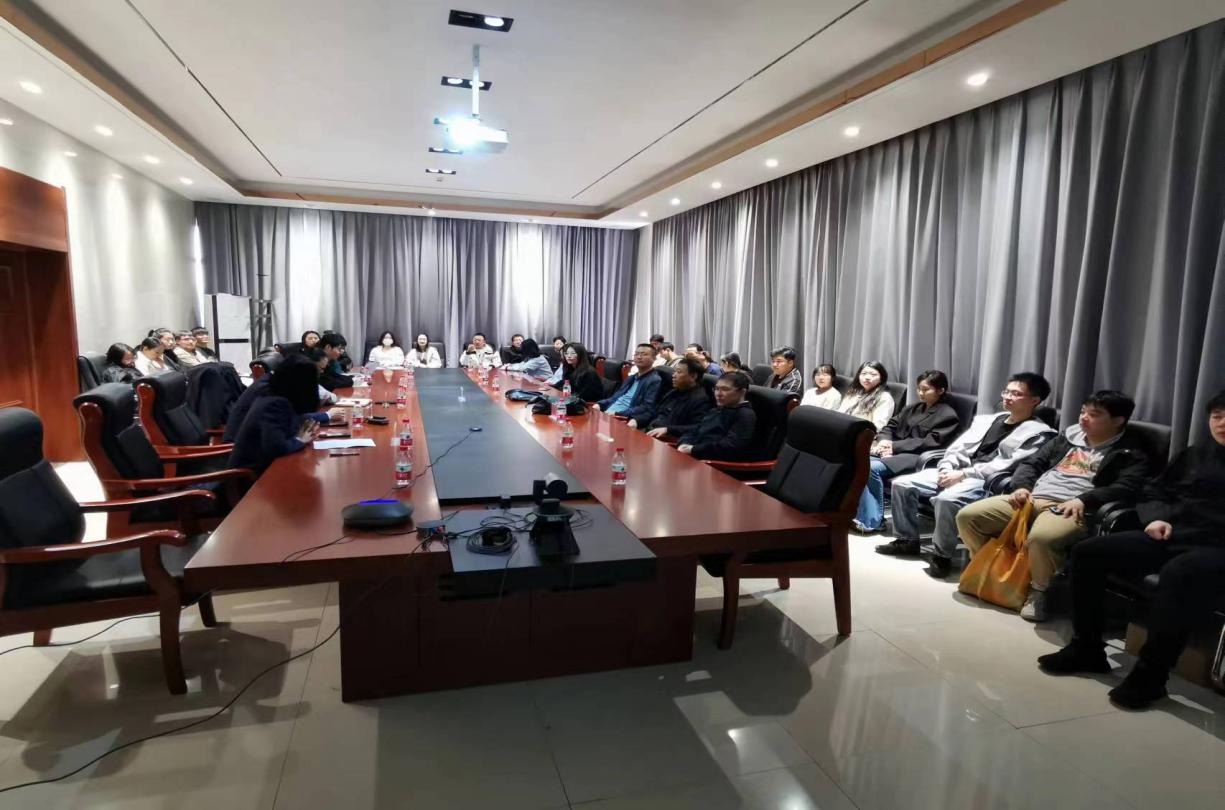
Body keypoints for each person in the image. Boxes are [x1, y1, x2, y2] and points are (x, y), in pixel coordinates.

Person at [1036, 390, 1225, 709]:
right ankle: (1086, 648)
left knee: (1179, 573)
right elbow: (1155, 491)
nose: (1221, 423)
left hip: (1216, 547)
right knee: (1088, 552)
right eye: (1217, 416)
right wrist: (1155, 518)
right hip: (1172, 533)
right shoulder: (1196, 453)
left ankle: (1151, 676)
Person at [957, 390, 1151, 620]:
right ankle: (990, 570)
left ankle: (1038, 591)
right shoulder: (1069, 437)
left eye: (1094, 414)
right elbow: (1032, 463)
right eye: (1083, 411)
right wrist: (1022, 487)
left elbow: (1127, 486)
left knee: (1042, 538)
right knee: (969, 517)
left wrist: (1084, 499)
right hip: (1031, 497)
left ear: (1118, 420)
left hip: (1071, 507)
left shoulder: (1131, 450)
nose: (1084, 418)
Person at [878, 372, 1056, 570]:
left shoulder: (1038, 433)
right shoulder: (989, 420)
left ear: (1035, 400)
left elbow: (1006, 464)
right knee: (902, 484)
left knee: (947, 499)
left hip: (984, 480)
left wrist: (963, 474)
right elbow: (957, 448)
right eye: (1006, 392)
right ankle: (907, 540)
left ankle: (941, 555)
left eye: (1016, 394)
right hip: (955, 471)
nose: (1007, 397)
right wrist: (946, 467)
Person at [854, 371, 960, 534]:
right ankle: (856, 513)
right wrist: (884, 441)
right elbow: (890, 426)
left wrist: (894, 446)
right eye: (919, 389)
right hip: (894, 451)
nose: (921, 393)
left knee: (871, 468)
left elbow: (930, 442)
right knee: (856, 460)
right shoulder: (912, 408)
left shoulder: (947, 415)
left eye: (926, 390)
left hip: (917, 456)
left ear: (940, 390)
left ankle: (872, 521)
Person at [228, 359, 321, 476]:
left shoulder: (278, 396)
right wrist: (301, 440)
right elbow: (276, 447)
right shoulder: (274, 404)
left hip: (267, 468)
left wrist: (306, 429)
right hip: (250, 477)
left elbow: (296, 420)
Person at [677, 371, 756, 460]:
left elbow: (729, 446)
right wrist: (684, 442)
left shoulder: (745, 415)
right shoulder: (718, 408)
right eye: (716, 389)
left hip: (711, 463)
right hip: (693, 456)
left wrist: (693, 449)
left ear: (742, 392)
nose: (718, 394)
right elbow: (696, 430)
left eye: (725, 389)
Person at [637, 357, 713, 439]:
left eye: (679, 372)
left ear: (693, 376)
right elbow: (654, 412)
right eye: (674, 371)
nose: (673, 375)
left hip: (667, 439)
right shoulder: (673, 392)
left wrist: (668, 430)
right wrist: (637, 420)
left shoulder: (700, 399)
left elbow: (697, 427)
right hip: (650, 431)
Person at [593, 344, 662, 420]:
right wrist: (599, 404)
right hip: (608, 413)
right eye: (637, 354)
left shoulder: (654, 380)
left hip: (622, 418)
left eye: (644, 354)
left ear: (654, 358)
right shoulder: (631, 378)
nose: (639, 357)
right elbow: (615, 398)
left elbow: (646, 407)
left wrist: (618, 413)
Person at [838, 361, 894, 430]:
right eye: (864, 373)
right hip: (841, 428)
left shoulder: (884, 397)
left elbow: (878, 426)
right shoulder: (853, 392)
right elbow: (839, 413)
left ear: (881, 378)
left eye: (873, 374)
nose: (867, 377)